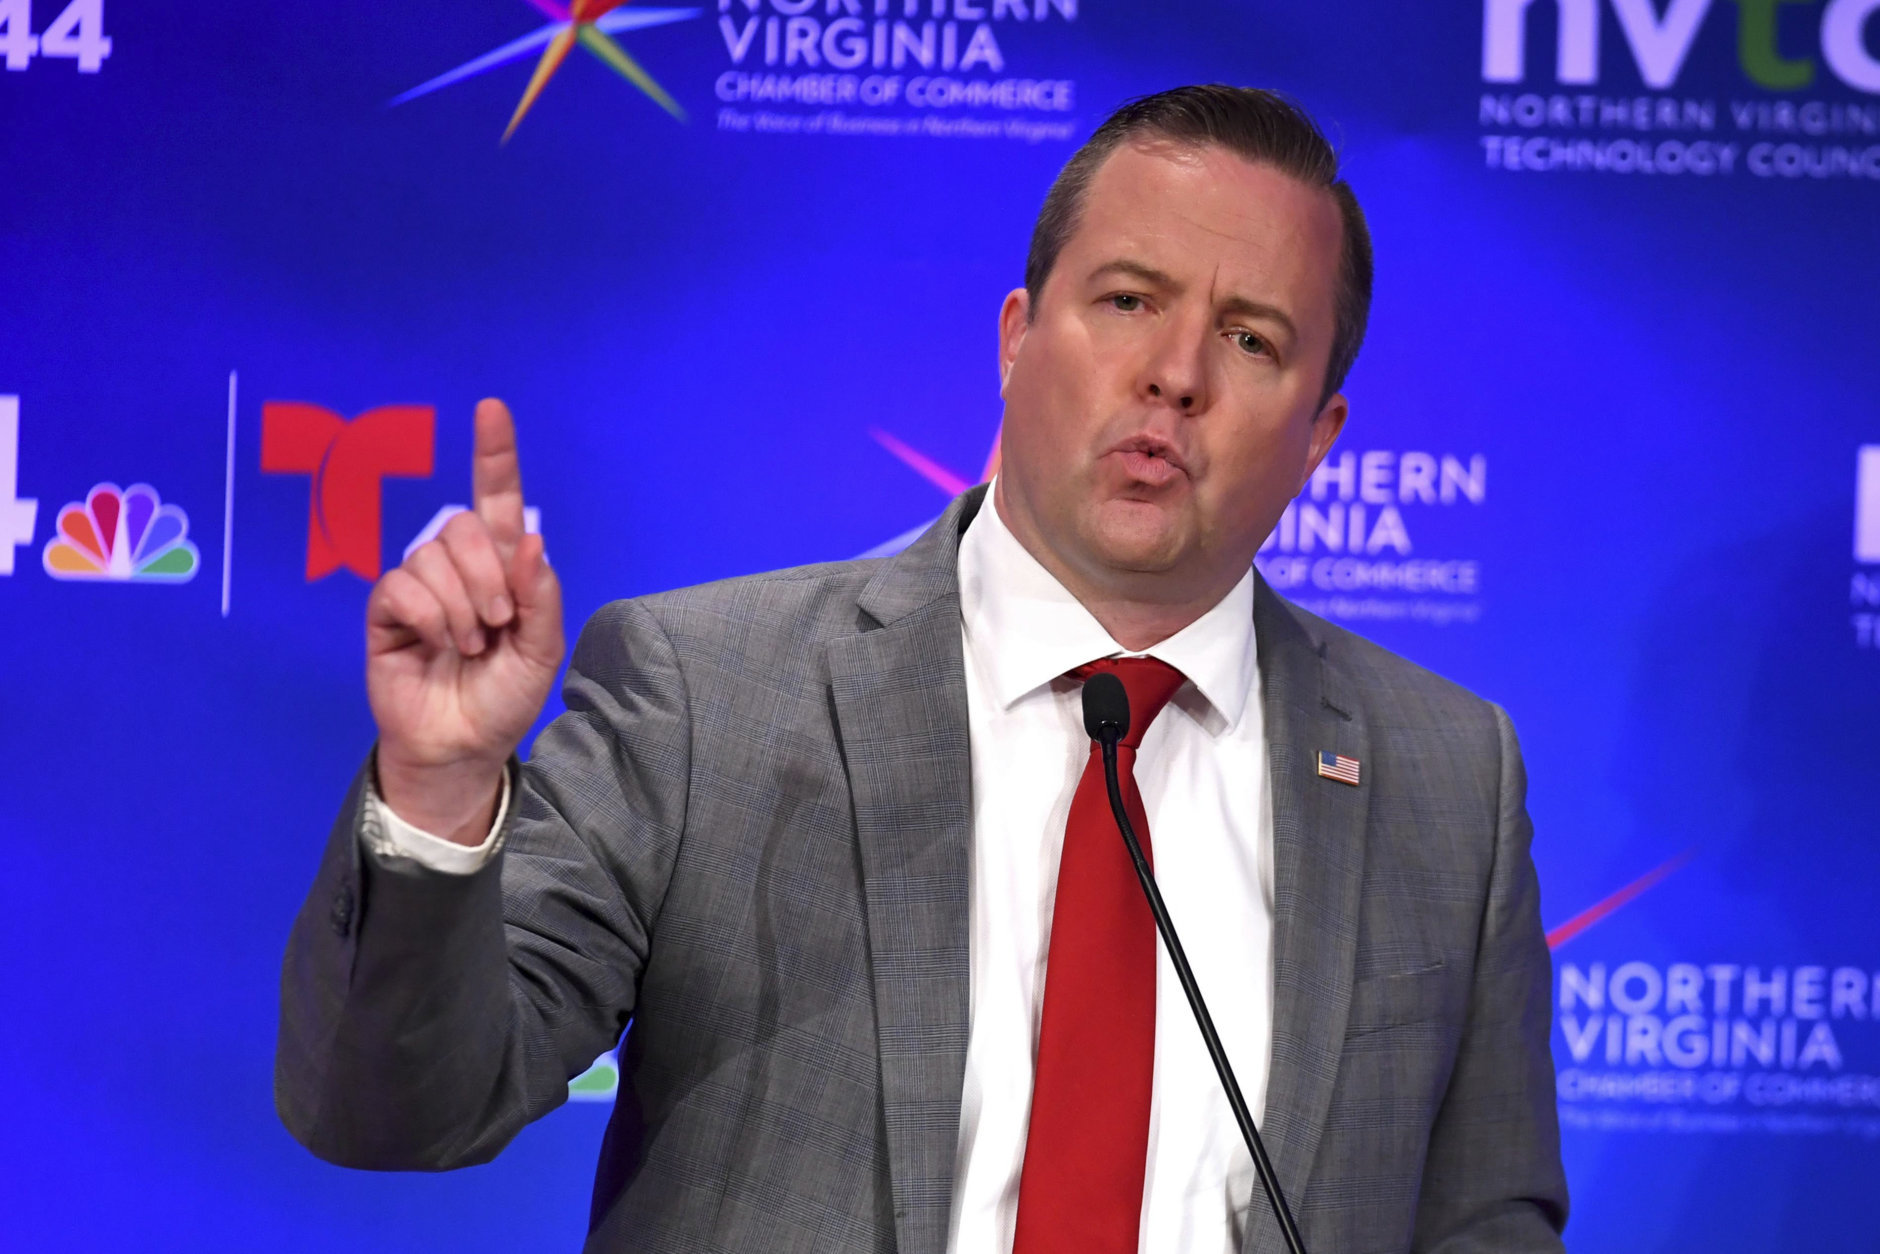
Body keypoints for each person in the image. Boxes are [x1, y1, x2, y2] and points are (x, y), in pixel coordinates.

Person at [277, 85, 1568, 1254]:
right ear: (1017, 336)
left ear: (1321, 436)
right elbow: (394, 1108)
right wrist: (440, 793)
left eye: (1249, 340)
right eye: (1129, 301)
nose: (1175, 376)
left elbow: (1485, 1225)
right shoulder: (710, 696)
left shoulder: (1446, 781)